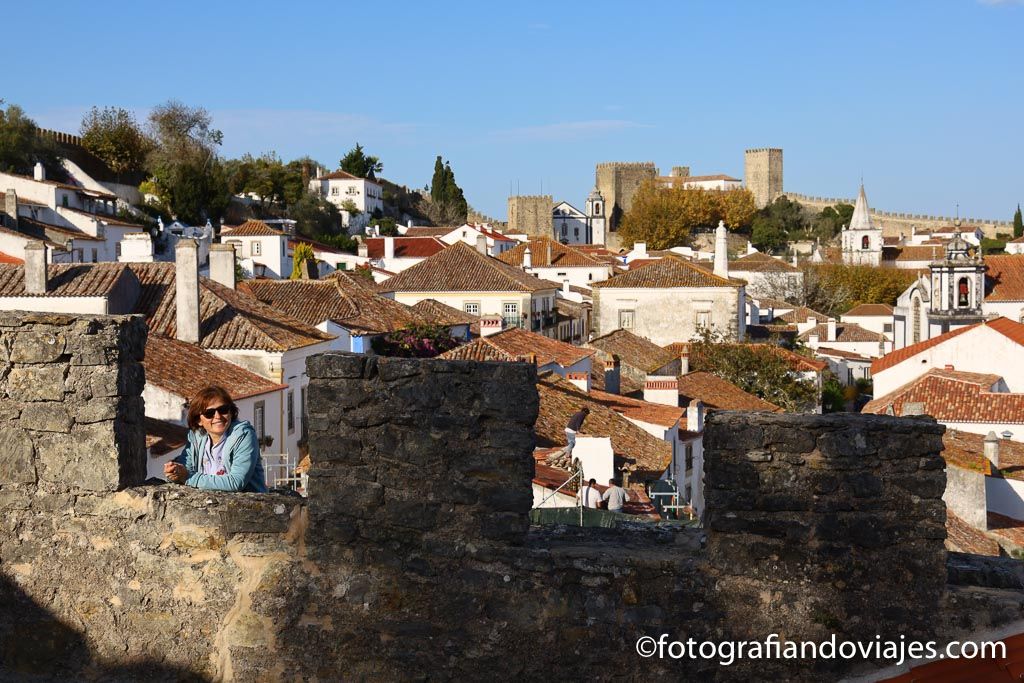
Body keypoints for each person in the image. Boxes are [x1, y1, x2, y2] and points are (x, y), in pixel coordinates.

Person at [164, 386, 268, 492]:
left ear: (231, 412)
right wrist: (174, 472)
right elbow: (185, 469)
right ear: (198, 420)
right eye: (209, 413)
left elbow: (235, 482)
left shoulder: (244, 435)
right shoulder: (196, 438)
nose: (217, 416)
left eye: (223, 410)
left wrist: (188, 478)